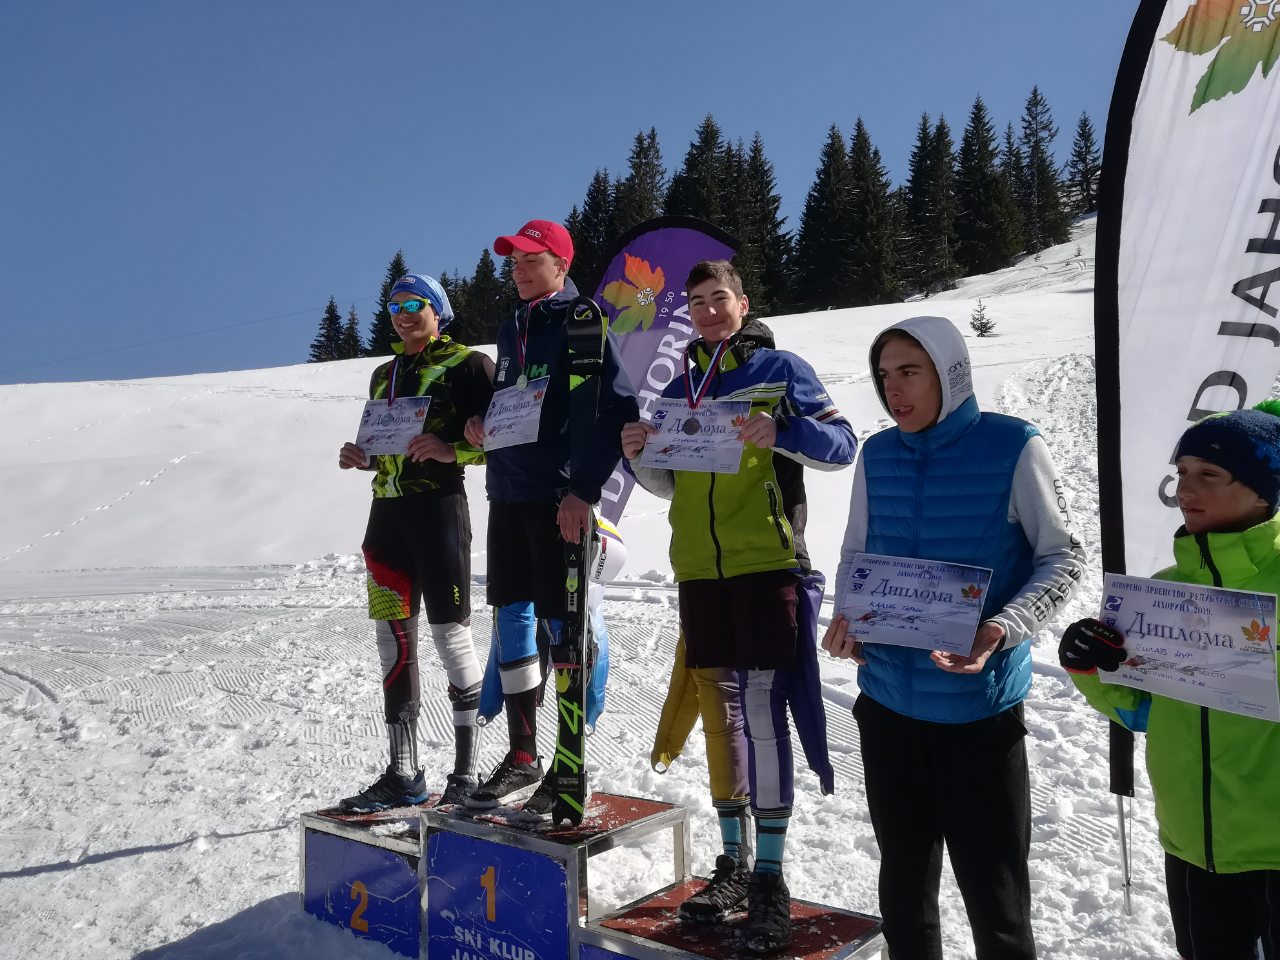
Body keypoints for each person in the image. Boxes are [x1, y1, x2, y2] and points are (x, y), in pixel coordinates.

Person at [823, 316, 1086, 960]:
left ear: (952, 373)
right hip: (887, 706)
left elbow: (1063, 557)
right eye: (885, 375)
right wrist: (849, 619)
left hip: (977, 714)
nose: (894, 390)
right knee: (904, 895)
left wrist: (1003, 628)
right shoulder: (877, 454)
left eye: (910, 372)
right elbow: (858, 554)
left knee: (996, 904)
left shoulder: (1013, 445)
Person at [623, 259, 856, 954]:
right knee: (719, 715)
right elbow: (673, 483)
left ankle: (771, 880)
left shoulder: (781, 369)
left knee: (760, 711)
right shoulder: (679, 383)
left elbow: (842, 445)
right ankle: (733, 863)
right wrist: (640, 455)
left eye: (718, 298)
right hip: (698, 569)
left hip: (767, 562)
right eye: (696, 302)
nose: (707, 310)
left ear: (743, 302)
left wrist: (782, 433)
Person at [1059, 401, 1280, 959]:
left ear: (1263, 493)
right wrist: (1092, 665)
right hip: (1191, 845)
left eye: (1209, 474)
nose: (1186, 489)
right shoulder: (1163, 590)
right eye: (1182, 472)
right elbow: (1143, 711)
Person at [462, 219, 637, 811]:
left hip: (558, 501)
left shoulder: (582, 319)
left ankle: (569, 765)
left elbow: (613, 410)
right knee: (513, 620)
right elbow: (516, 401)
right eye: (513, 261)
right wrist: (481, 422)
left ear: (561, 265)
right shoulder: (511, 325)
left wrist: (583, 491)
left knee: (564, 628)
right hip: (507, 495)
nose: (517, 269)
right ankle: (523, 756)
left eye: (530, 260)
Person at [337, 274, 494, 811]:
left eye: (414, 304)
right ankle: (404, 774)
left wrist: (454, 451)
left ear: (438, 310)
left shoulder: (469, 365)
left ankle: (467, 774)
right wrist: (363, 458)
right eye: (394, 305)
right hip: (386, 521)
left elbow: (507, 436)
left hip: (439, 512)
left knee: (452, 637)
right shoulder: (384, 374)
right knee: (393, 641)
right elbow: (386, 448)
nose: (403, 314)